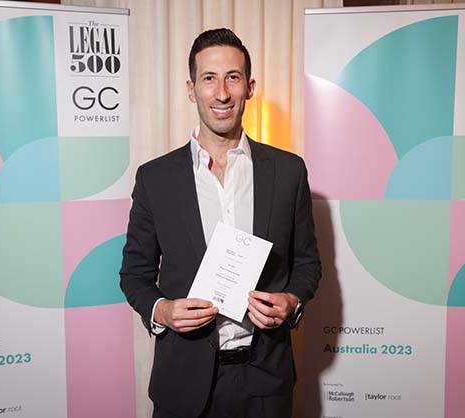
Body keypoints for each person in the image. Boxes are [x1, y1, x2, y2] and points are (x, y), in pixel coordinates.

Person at [120, 28, 321, 418]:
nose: (223, 93)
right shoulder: (155, 178)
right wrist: (161, 310)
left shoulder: (289, 172)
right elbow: (134, 274)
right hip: (182, 380)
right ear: (192, 89)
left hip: (266, 382)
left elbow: (308, 264)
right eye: (209, 78)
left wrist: (292, 301)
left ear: (250, 87)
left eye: (233, 77)